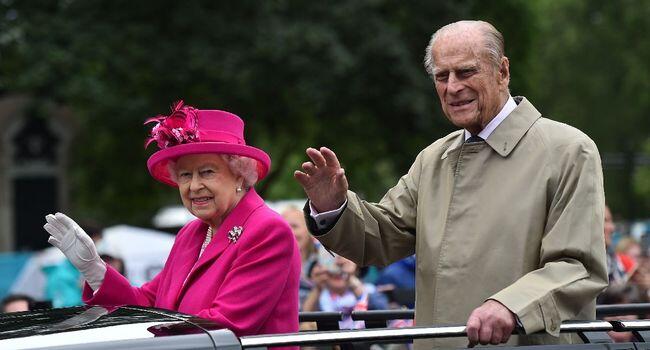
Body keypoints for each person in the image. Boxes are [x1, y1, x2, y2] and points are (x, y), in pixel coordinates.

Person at [294, 20, 607, 348]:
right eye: (442, 76)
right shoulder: (433, 158)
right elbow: (381, 237)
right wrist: (332, 207)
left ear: (503, 71)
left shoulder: (568, 149)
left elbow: (578, 266)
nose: (452, 87)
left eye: (466, 72)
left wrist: (512, 306)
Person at [44, 101, 301, 338]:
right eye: (185, 175)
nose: (194, 186)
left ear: (240, 175)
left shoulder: (267, 230)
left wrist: (154, 326)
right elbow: (146, 303)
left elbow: (227, 324)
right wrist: (96, 271)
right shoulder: (191, 234)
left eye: (207, 172)